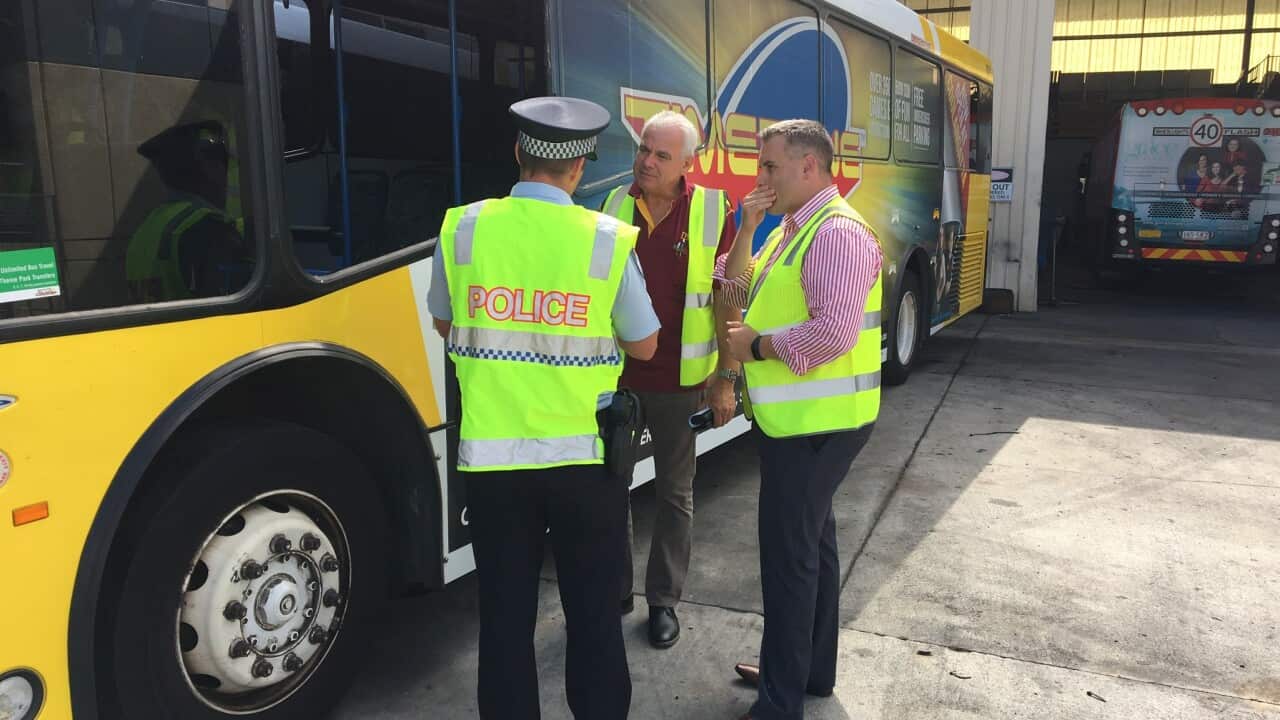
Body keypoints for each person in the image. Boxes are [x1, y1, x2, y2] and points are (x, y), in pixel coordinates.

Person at [427, 96, 660, 720]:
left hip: (494, 466)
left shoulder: (464, 227)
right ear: (580, 167)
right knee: (592, 615)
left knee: (504, 621)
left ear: (518, 154)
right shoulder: (607, 240)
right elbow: (644, 342)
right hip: (584, 465)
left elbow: (447, 322)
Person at [715, 119, 883, 720]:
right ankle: (808, 669)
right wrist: (745, 228)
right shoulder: (792, 228)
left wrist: (756, 349)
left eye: (770, 166)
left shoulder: (835, 233)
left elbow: (834, 333)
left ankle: (778, 703)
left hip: (817, 427)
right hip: (803, 422)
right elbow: (729, 288)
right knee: (814, 544)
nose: (760, 176)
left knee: (789, 559)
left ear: (808, 166)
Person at [599, 110, 739, 648]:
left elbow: (729, 300)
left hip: (681, 383)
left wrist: (726, 377)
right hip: (618, 379)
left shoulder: (710, 211)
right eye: (643, 149)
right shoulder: (613, 206)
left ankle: (664, 602)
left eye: (661, 155)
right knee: (610, 489)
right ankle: (615, 592)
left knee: (674, 497)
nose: (647, 162)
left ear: (688, 162)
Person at [126, 120, 248, 302]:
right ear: (208, 168)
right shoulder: (208, 228)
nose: (226, 176)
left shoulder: (147, 230)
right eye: (222, 165)